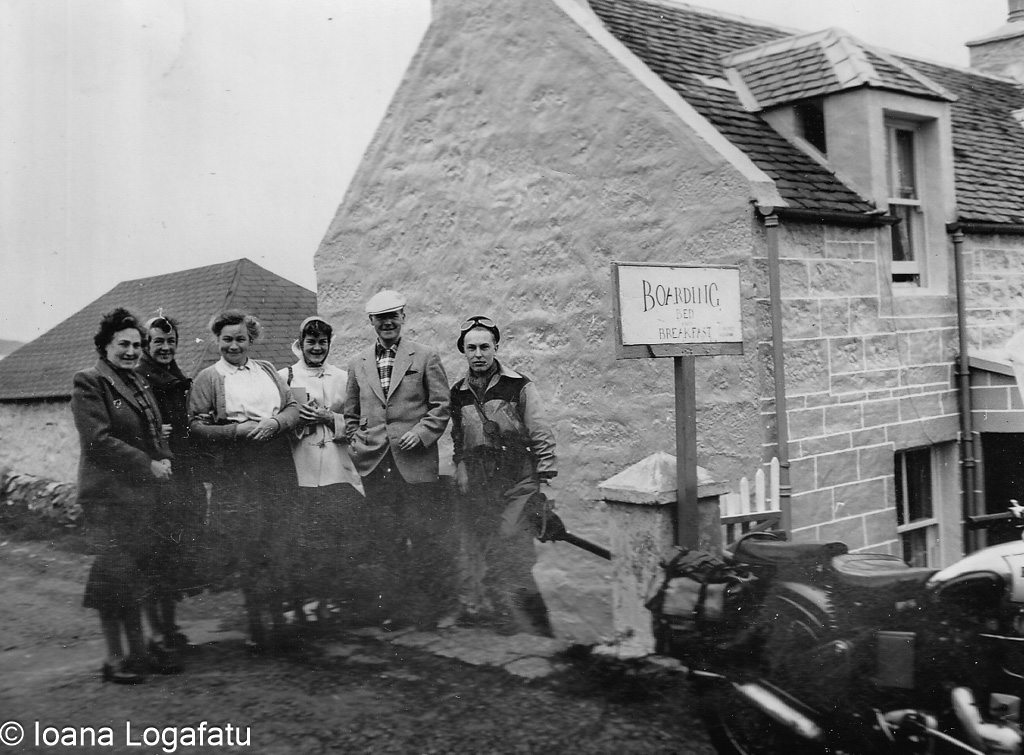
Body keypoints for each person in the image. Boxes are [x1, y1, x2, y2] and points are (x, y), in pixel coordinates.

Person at [71, 307, 175, 683]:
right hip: (107, 497)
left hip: (142, 494)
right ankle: (115, 659)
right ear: (105, 345)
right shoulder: (90, 381)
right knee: (115, 575)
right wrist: (148, 464)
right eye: (123, 344)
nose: (131, 351)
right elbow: (98, 441)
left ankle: (139, 652)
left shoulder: (137, 382)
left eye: (136, 345)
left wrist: (164, 459)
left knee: (138, 573)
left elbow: (153, 431)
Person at [187, 310, 300, 652]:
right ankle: (257, 627)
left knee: (279, 543)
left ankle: (280, 625)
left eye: (240, 339)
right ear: (217, 341)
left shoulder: (266, 369)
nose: (233, 345)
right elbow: (195, 426)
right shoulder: (209, 377)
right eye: (226, 339)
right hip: (238, 467)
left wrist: (276, 424)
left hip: (277, 462)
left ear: (251, 340)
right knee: (250, 546)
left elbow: (292, 406)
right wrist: (236, 430)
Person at [343, 290, 452, 624]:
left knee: (423, 538)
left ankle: (427, 611)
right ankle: (397, 611)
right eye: (380, 317)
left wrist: (420, 434)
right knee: (387, 540)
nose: (387, 322)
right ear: (371, 322)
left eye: (394, 315)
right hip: (376, 465)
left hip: (415, 464)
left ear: (403, 317)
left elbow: (442, 405)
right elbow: (351, 413)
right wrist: (356, 443)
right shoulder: (358, 362)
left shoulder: (425, 356)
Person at [450, 315, 557, 634]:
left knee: (513, 547)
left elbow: (541, 432)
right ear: (464, 351)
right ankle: (499, 617)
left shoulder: (519, 385)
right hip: (480, 482)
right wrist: (461, 466)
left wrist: (546, 484)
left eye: (485, 346)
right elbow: (457, 435)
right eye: (472, 348)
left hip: (517, 479)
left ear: (496, 347)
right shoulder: (458, 392)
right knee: (480, 547)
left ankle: (539, 628)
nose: (479, 353)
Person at [278, 316, 364, 626]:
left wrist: (331, 418)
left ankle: (328, 602)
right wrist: (297, 422)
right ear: (300, 345)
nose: (316, 348)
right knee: (303, 545)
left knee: (336, 542)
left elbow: (360, 423)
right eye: (310, 342)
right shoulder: (283, 377)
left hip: (337, 471)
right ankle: (302, 606)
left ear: (329, 344)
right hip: (301, 470)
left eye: (322, 342)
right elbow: (277, 424)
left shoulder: (343, 378)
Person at [136, 314, 204, 655]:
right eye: (158, 341)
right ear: (147, 345)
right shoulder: (139, 379)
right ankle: (158, 634)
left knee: (175, 555)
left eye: (169, 341)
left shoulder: (176, 375)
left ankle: (170, 628)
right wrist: (150, 435)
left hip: (183, 474)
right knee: (157, 556)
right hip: (158, 477)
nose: (165, 347)